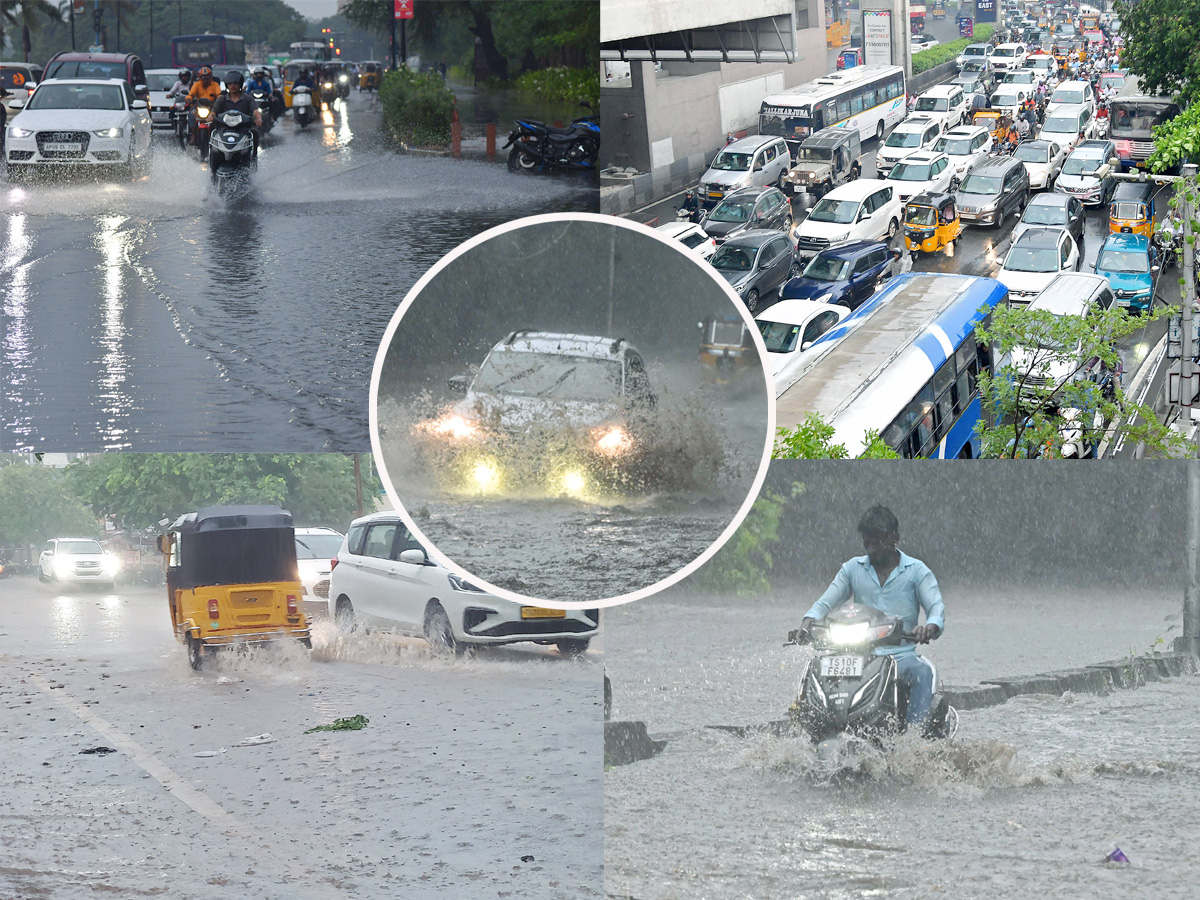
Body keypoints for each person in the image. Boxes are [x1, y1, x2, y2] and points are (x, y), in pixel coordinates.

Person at [794, 506, 945, 731]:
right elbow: (826, 602)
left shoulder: (917, 571)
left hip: (899, 657)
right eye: (867, 542)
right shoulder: (852, 569)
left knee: (923, 672)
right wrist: (806, 624)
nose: (871, 548)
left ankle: (915, 742)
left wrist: (929, 628)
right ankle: (805, 733)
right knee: (815, 669)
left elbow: (935, 607)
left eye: (877, 542)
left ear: (894, 538)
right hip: (856, 656)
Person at [211, 69, 262, 159]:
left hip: (243, 128)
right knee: (213, 133)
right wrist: (210, 116)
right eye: (230, 84)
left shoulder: (248, 98)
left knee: (254, 133)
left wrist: (258, 118)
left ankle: (254, 156)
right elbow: (214, 110)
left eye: (235, 83)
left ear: (240, 84)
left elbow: (255, 110)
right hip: (224, 128)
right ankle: (211, 157)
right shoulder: (222, 98)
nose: (233, 86)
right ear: (227, 85)